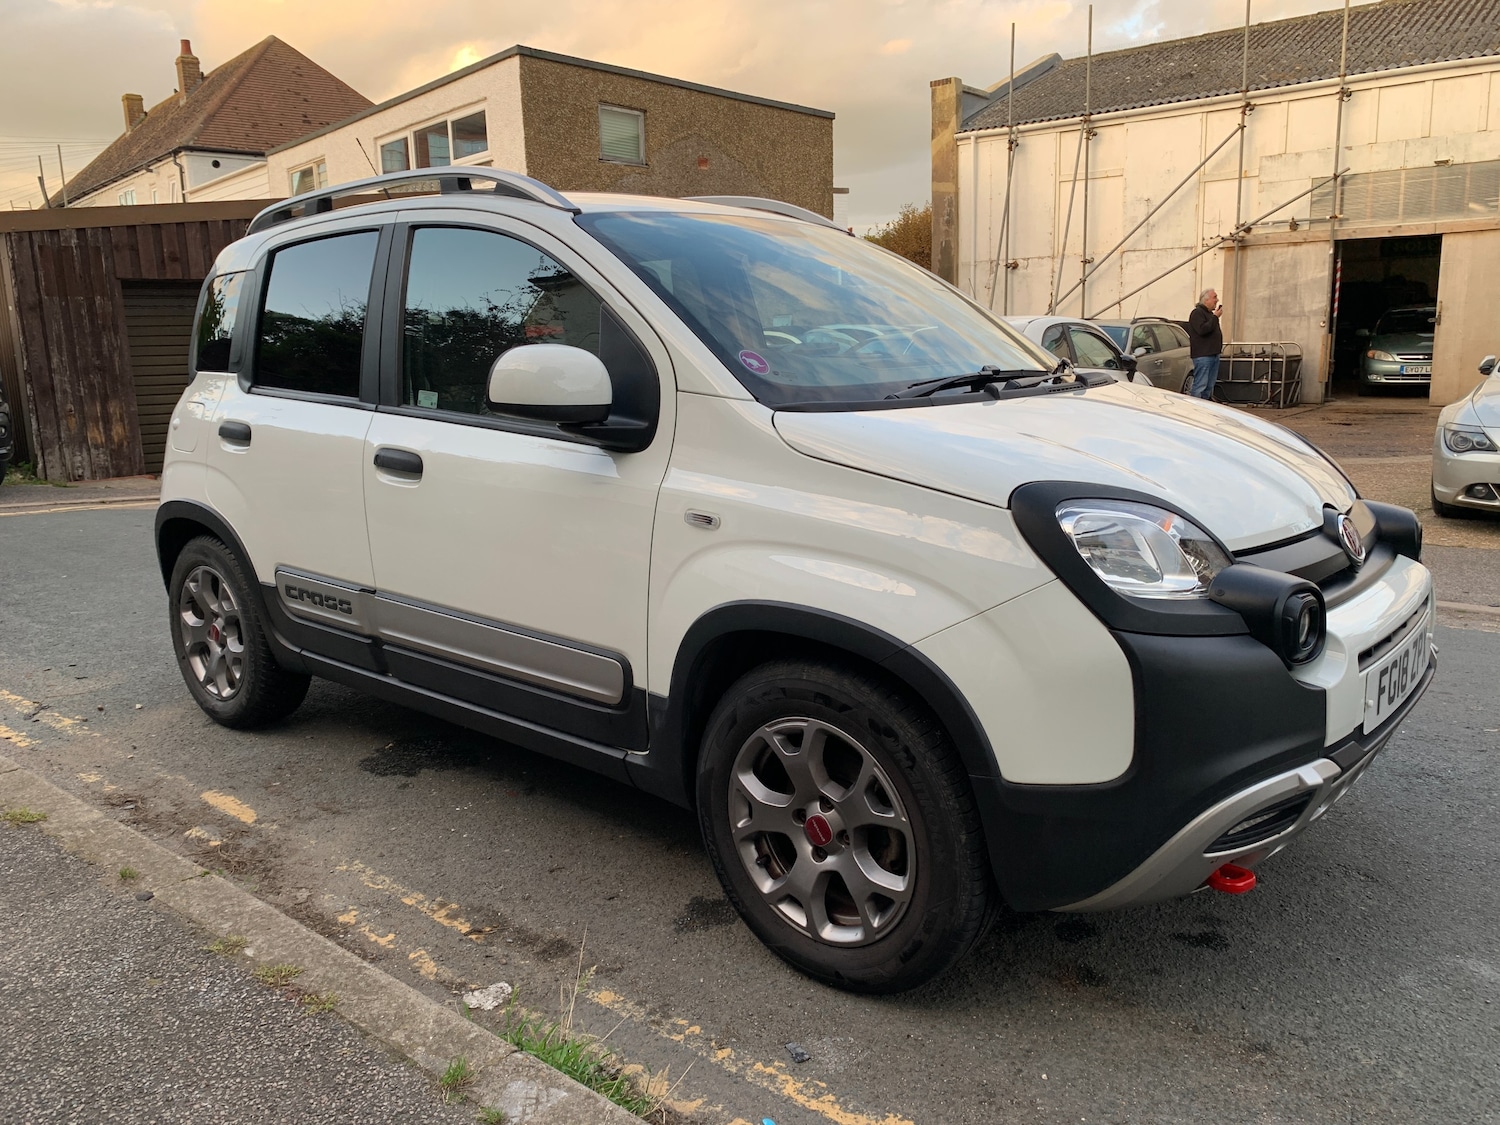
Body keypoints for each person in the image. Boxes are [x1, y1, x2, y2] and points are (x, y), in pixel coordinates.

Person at [1188, 288, 1225, 399]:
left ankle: (1204, 410)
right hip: (1203, 356)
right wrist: (1215, 317)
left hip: (1213, 355)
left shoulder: (1209, 314)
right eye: (1214, 297)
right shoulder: (1197, 313)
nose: (1217, 300)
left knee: (1209, 387)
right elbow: (1202, 330)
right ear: (1206, 300)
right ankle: (1195, 409)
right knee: (1200, 386)